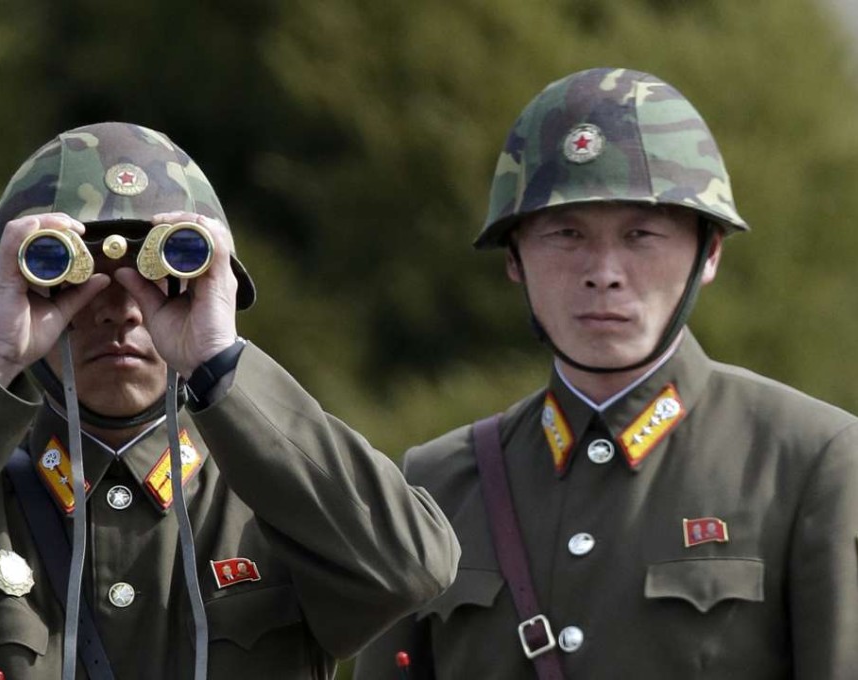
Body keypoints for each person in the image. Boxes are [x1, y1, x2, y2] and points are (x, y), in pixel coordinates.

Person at [0, 122, 460, 679]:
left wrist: (220, 358)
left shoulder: (278, 504)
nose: (122, 309)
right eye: (73, 275)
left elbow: (411, 569)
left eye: (164, 271)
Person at [353, 67, 858, 679]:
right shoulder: (438, 484)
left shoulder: (811, 462)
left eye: (641, 235)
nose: (604, 271)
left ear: (709, 254)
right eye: (566, 234)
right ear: (515, 258)